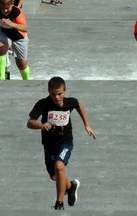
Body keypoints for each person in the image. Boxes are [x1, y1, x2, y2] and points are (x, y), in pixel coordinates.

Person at [27, 76, 96, 211]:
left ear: (65, 91)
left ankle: (59, 202)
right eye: (53, 94)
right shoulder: (43, 104)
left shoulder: (70, 102)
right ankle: (70, 187)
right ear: (48, 92)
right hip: (49, 144)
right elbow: (30, 123)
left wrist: (87, 125)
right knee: (55, 176)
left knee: (59, 166)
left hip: (65, 142)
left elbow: (78, 105)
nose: (57, 97)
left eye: (59, 94)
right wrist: (41, 125)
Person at [0, 0, 30, 80]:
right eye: (2, 8)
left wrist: (12, 24)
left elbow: (25, 28)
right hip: (3, 32)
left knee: (21, 64)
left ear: (12, 4)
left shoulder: (16, 12)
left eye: (7, 8)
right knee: (1, 48)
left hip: (19, 36)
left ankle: (27, 80)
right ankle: (1, 77)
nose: (5, 11)